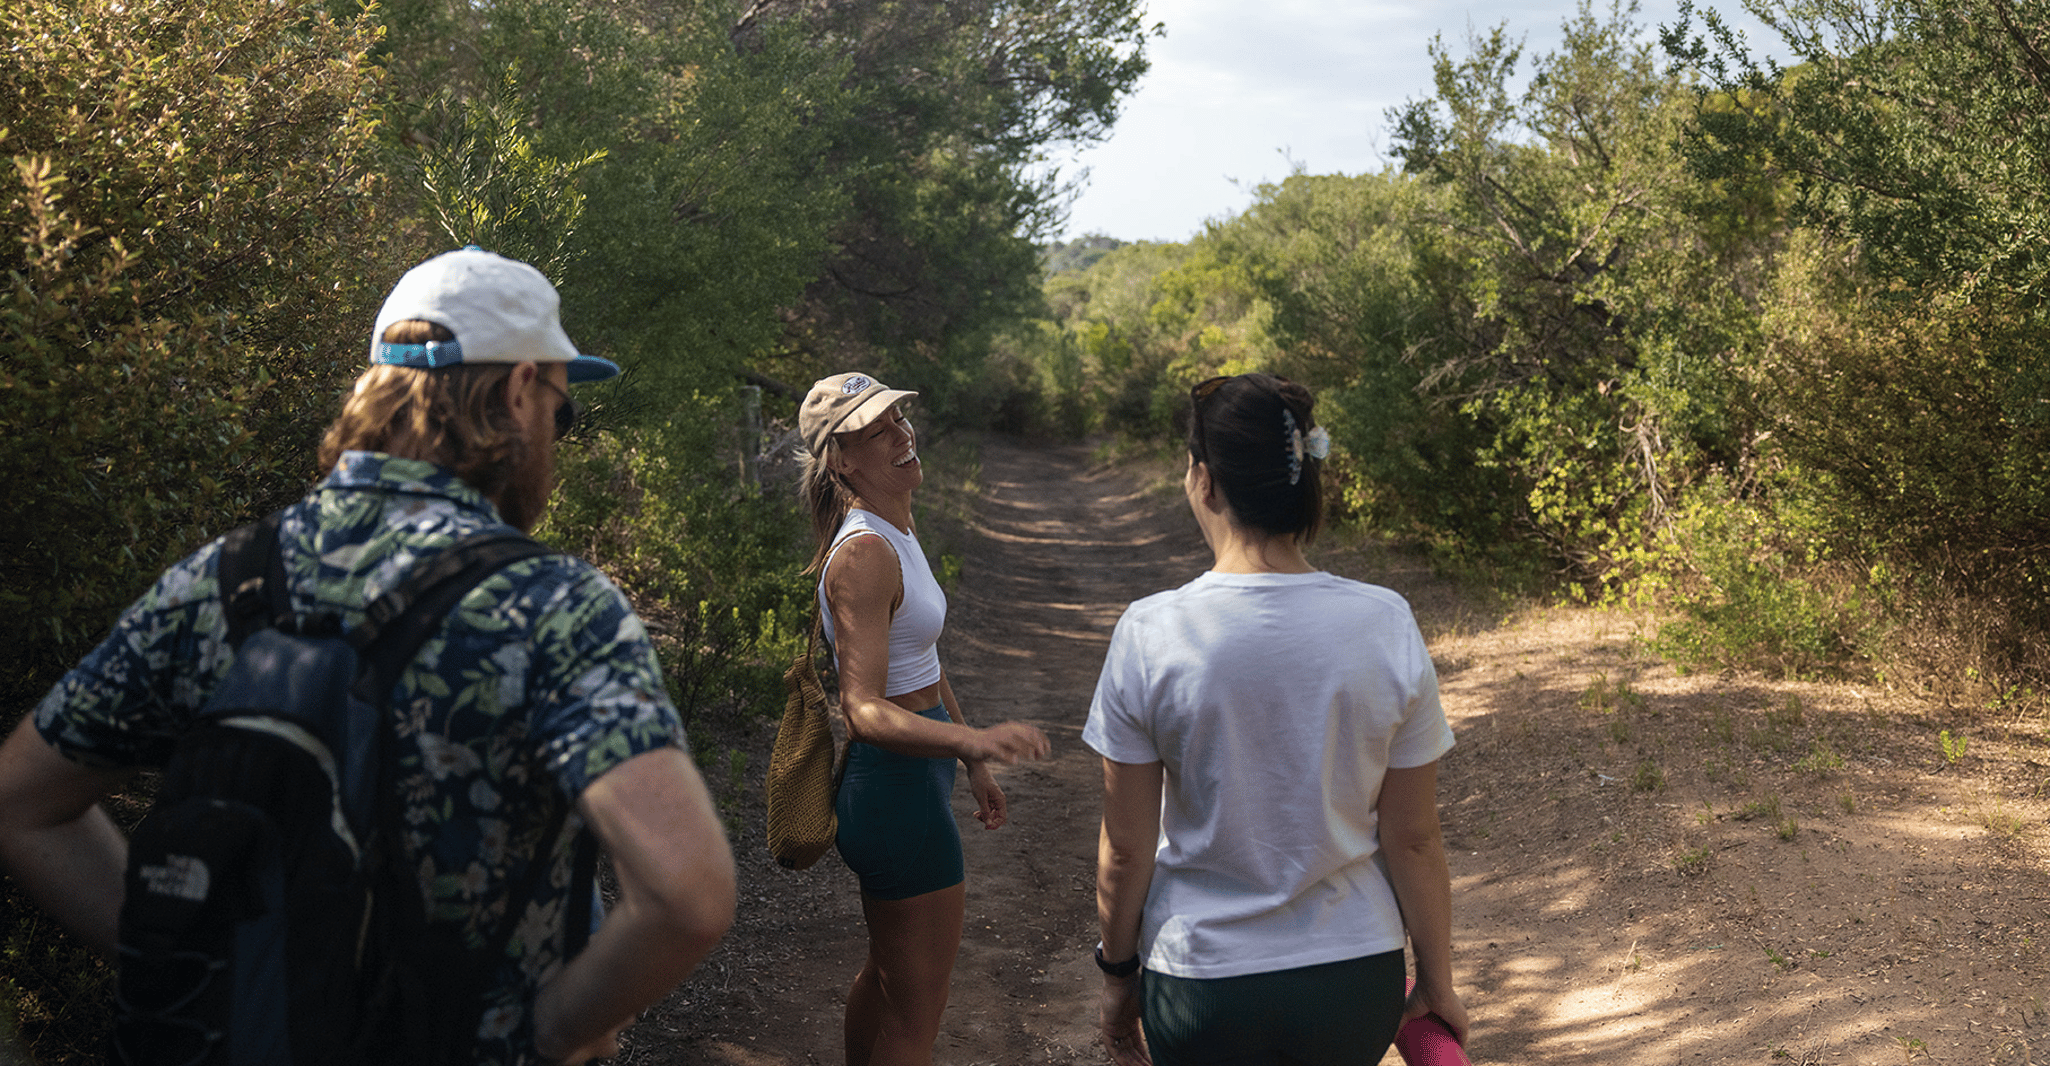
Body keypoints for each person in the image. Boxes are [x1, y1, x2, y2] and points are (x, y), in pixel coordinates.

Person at [0, 247, 736, 1066]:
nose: (558, 442)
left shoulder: (221, 580)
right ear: (521, 390)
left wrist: (193, 959)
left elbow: (21, 802)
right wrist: (551, 1032)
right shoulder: (552, 607)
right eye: (562, 411)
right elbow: (687, 894)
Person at [1085, 373, 1469, 1066]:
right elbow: (1413, 838)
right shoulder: (1385, 622)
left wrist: (1117, 978)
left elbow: (1128, 849)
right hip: (1354, 979)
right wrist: (1436, 982)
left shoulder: (1150, 632)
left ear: (1204, 482)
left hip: (1200, 985)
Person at [796, 372, 1051, 1066]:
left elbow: (924, 665)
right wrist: (969, 737)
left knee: (889, 978)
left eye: (899, 418)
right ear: (843, 460)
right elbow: (865, 710)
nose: (901, 434)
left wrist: (970, 762)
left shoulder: (895, 529)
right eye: (877, 430)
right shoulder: (866, 554)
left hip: (916, 781)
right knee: (917, 1018)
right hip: (895, 794)